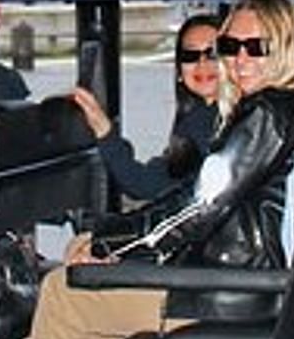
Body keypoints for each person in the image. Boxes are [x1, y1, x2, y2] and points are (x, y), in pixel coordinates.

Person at [0, 0, 294, 339]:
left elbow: (201, 205)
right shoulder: (269, 110)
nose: (239, 58)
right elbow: (183, 197)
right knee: (97, 287)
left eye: (255, 46)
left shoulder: (266, 112)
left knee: (63, 291)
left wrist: (113, 241)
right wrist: (116, 240)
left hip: (228, 289)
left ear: (284, 48)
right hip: (233, 277)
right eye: (231, 46)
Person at [65, 12, 222, 203]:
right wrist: (103, 128)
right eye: (190, 55)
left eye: (213, 54)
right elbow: (147, 185)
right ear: (180, 71)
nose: (202, 63)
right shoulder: (196, 121)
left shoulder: (240, 121)